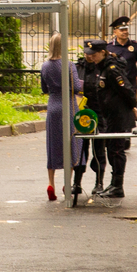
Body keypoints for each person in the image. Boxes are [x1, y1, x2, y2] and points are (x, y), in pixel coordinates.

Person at [74, 39, 137, 199]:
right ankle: (114, 184)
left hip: (118, 116)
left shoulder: (111, 69)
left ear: (103, 52)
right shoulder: (102, 68)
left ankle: (118, 186)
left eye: (94, 54)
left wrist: (132, 108)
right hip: (110, 116)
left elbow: (126, 89)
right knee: (111, 150)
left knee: (116, 150)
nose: (92, 57)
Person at [40, 36, 83, 201]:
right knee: (72, 143)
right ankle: (68, 182)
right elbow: (77, 87)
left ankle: (51, 183)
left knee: (53, 144)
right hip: (69, 106)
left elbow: (44, 88)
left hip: (53, 107)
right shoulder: (69, 64)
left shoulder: (44, 66)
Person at [107, 16, 137, 98]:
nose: (125, 32)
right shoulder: (109, 47)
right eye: (121, 30)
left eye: (126, 29)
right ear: (115, 32)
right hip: (115, 84)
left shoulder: (135, 46)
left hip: (131, 82)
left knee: (131, 107)